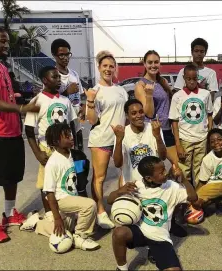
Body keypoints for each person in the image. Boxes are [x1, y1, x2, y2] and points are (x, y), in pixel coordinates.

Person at [0, 26, 39, 243]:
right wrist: (22, 110)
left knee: (12, 176)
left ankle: (9, 214)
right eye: (2, 41)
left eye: (7, 42)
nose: (6, 45)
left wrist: (24, 99)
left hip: (12, 131)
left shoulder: (2, 67)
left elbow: (9, 96)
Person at [108, 156, 198, 271]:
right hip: (139, 230)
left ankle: (153, 251)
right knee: (119, 232)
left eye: (164, 169)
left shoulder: (172, 187)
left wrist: (184, 180)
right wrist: (120, 191)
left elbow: (193, 198)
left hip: (160, 237)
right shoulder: (137, 186)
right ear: (149, 178)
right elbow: (110, 200)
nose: (165, 173)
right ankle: (121, 268)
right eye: (161, 172)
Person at [24, 66, 77, 213]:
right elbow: (29, 130)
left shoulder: (65, 100)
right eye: (55, 77)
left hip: (66, 149)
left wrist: (76, 147)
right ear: (45, 80)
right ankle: (49, 214)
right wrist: (38, 153)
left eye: (59, 77)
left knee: (66, 179)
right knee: (47, 184)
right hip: (47, 149)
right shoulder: (37, 101)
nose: (59, 80)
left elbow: (72, 124)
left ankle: (66, 211)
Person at [85, 52, 128, 229]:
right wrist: (90, 100)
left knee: (124, 174)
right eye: (105, 66)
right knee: (99, 177)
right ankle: (101, 211)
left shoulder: (121, 90)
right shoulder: (95, 91)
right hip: (101, 139)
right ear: (99, 68)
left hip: (120, 139)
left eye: (111, 66)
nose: (108, 69)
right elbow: (92, 120)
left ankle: (120, 206)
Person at [42, 123, 100, 251]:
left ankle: (36, 222)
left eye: (71, 134)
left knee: (64, 229)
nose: (72, 137)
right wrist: (57, 217)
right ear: (56, 141)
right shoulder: (53, 163)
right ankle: (80, 237)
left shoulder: (72, 156)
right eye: (67, 136)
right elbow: (49, 193)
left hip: (71, 199)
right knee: (89, 205)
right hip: (61, 200)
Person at [134, 50, 180, 173]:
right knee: (153, 170)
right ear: (144, 64)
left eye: (156, 62)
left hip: (167, 129)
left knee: (178, 166)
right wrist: (149, 95)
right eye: (150, 62)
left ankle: (170, 186)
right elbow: (148, 113)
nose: (153, 65)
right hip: (153, 131)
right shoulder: (141, 85)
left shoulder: (162, 81)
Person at [169, 63, 213, 187]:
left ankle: (198, 199)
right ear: (184, 78)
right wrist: (178, 144)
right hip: (185, 139)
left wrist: (209, 135)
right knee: (184, 171)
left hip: (202, 139)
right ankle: (187, 198)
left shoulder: (205, 94)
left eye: (195, 78)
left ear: (197, 77)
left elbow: (209, 115)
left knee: (200, 170)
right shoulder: (177, 96)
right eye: (189, 78)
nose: (192, 82)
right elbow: (174, 121)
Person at [112, 99, 167, 184]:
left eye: (141, 112)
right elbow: (117, 164)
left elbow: (163, 157)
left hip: (153, 183)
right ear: (127, 116)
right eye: (134, 113)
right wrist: (119, 140)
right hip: (133, 184)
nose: (139, 115)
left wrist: (158, 137)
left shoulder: (154, 129)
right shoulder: (122, 133)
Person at [51, 38, 85, 151]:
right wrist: (66, 92)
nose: (65, 58)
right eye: (61, 55)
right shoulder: (52, 76)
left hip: (77, 124)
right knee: (66, 159)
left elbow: (79, 98)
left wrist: (83, 107)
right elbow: (49, 101)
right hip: (62, 126)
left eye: (68, 54)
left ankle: (79, 169)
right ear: (54, 55)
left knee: (79, 157)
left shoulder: (74, 74)